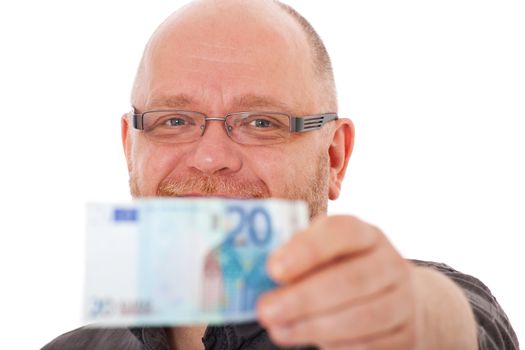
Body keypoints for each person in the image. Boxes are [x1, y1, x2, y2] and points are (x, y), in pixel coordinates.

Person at [43, 0, 519, 349]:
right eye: (174, 121)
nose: (210, 158)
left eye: (261, 123)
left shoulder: (385, 310)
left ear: (334, 157)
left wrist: (421, 318)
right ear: (130, 148)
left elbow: (456, 324)